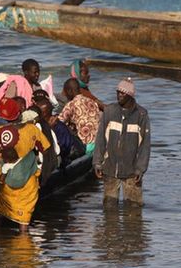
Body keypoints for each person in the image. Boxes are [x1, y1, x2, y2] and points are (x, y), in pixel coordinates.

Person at [0, 97, 51, 232]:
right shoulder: (32, 129)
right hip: (27, 180)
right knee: (24, 218)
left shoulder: (0, 131)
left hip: (4, 179)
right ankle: (23, 245)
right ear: (19, 113)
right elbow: (46, 150)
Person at [93, 78, 151, 206]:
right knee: (109, 208)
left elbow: (145, 146)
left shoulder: (141, 115)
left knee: (134, 209)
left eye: (122, 93)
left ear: (130, 95)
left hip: (132, 172)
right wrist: (97, 162)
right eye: (118, 92)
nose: (119, 95)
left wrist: (140, 169)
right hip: (110, 169)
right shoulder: (109, 112)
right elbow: (101, 139)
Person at [59, 78, 101, 152]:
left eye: (65, 93)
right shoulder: (92, 102)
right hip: (99, 142)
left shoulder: (71, 105)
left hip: (86, 145)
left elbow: (59, 122)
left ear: (69, 91)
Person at [35, 98, 74, 167]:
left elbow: (65, 148)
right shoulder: (37, 126)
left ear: (44, 113)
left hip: (58, 159)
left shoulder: (60, 127)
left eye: (37, 112)